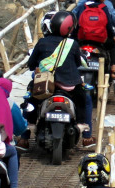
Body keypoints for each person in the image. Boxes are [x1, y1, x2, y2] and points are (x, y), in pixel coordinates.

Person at [26, 11, 94, 145]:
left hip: (46, 85)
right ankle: (86, 134)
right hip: (69, 86)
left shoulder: (42, 42)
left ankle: (25, 135)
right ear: (69, 28)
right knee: (85, 100)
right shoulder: (72, 44)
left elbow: (31, 64)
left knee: (29, 99)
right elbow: (78, 63)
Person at [72, 0, 115, 78]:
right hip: (100, 39)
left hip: (83, 38)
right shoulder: (103, 7)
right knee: (114, 45)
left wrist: (74, 37)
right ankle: (113, 68)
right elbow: (108, 25)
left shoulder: (82, 6)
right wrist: (112, 37)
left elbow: (75, 22)